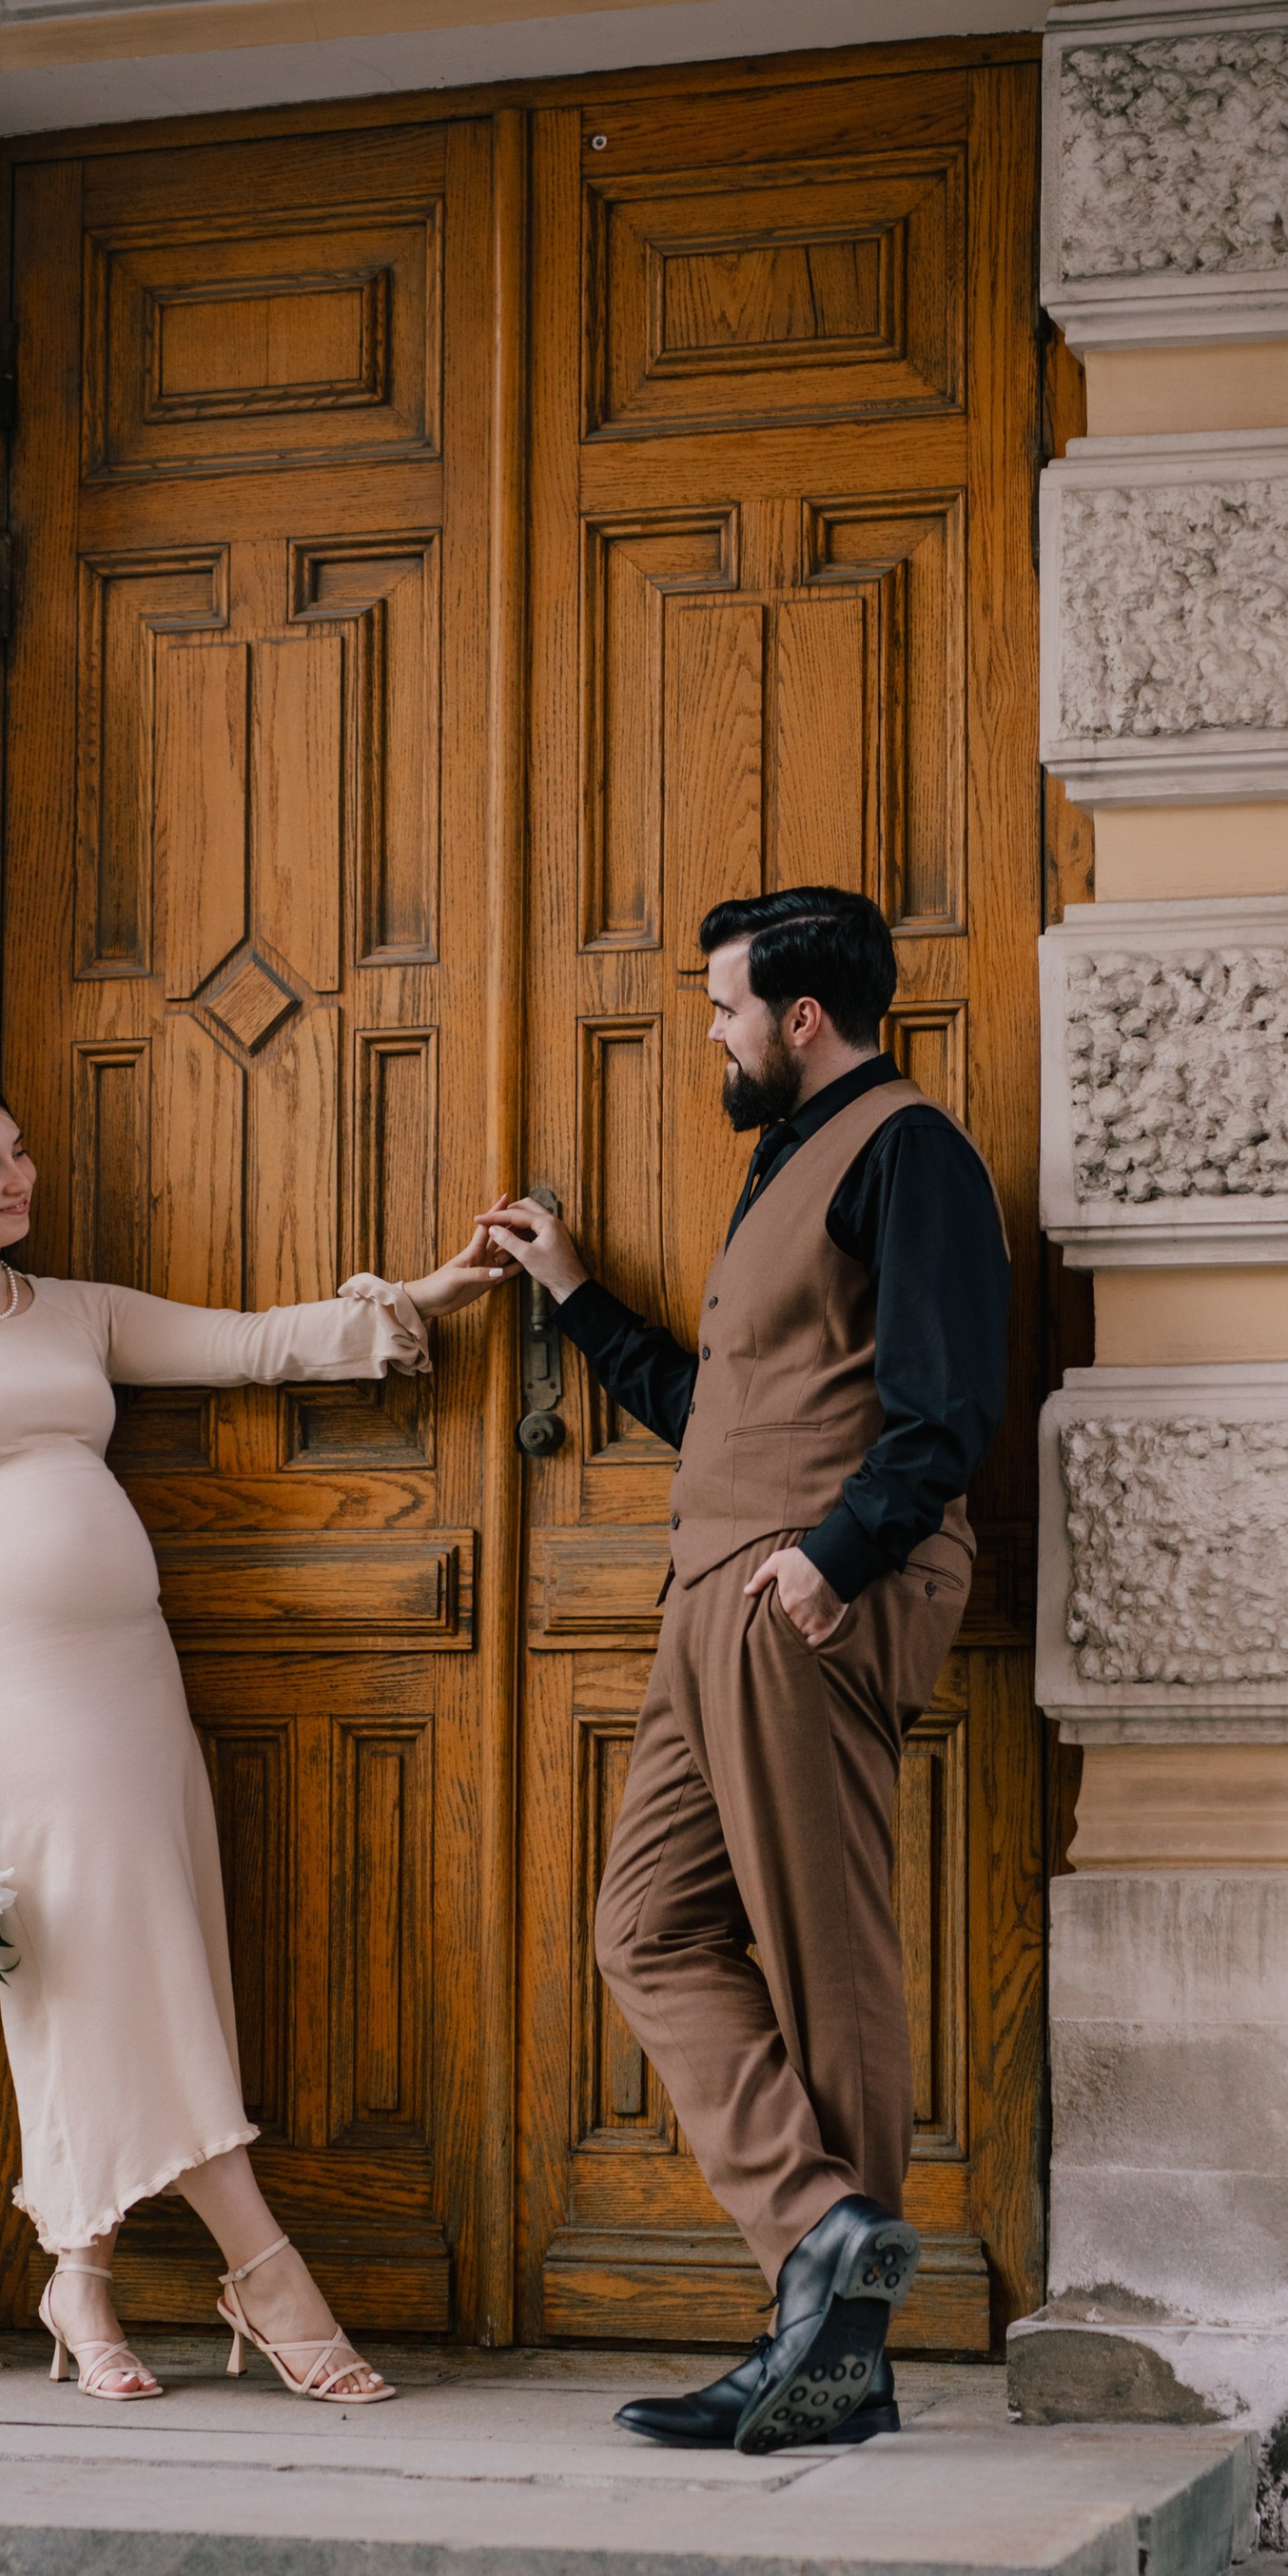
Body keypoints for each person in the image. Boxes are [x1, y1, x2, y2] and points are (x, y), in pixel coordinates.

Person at [0, 1068, 506, 2406]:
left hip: (131, 1675)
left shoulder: (69, 1311)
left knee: (116, 1958)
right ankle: (264, 2268)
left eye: (17, 1155)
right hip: (7, 1692)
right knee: (113, 1954)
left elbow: (251, 1345)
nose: (16, 1181)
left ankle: (78, 2280)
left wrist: (417, 1299)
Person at [484, 887, 1010, 2454]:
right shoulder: (786, 1163)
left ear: (800, 1017)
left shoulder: (910, 1150)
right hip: (714, 1587)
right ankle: (822, 2238)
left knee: (820, 1960)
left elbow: (946, 1401)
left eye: (722, 1009)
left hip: (807, 1596)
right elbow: (727, 1402)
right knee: (647, 1927)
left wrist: (832, 1559)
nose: (707, 1034)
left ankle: (836, 2358)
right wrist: (573, 1296)